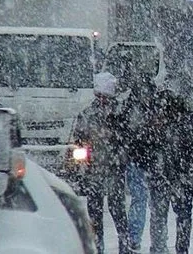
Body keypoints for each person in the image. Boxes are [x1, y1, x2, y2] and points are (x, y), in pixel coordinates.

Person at [72, 72, 130, 253]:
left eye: (105, 97)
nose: (102, 100)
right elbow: (79, 141)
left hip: (114, 167)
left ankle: (124, 245)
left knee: (117, 209)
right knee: (95, 212)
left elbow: (128, 140)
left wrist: (119, 153)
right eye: (100, 96)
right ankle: (98, 246)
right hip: (94, 169)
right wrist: (83, 161)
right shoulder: (88, 114)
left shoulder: (121, 114)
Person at [149, 90, 193, 254]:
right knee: (174, 217)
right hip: (171, 177)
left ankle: (176, 249)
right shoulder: (186, 123)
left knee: (171, 216)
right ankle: (170, 249)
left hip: (178, 178)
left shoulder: (186, 124)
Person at [116, 74, 160, 253]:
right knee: (155, 204)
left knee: (139, 201)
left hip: (136, 161)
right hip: (152, 162)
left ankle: (135, 239)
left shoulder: (128, 107)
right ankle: (156, 243)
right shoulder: (156, 107)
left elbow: (123, 134)